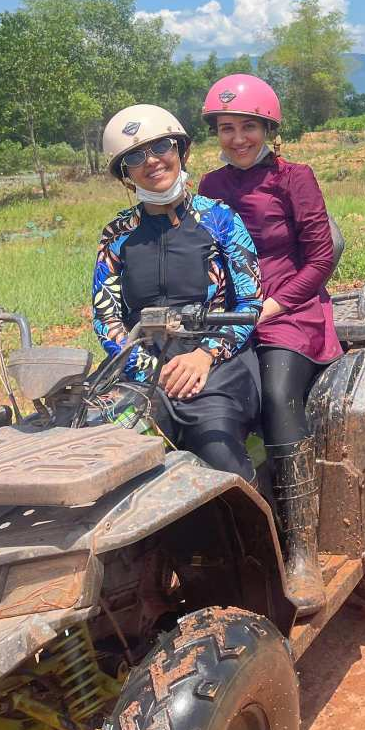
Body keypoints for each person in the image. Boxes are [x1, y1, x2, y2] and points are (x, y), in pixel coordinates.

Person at [199, 74, 342, 614]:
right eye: (228, 128)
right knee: (207, 403)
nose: (239, 138)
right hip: (229, 315)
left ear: (268, 129)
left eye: (249, 127)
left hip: (291, 309)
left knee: (278, 395)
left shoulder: (294, 178)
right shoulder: (209, 188)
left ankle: (302, 547)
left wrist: (276, 303)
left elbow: (320, 258)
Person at [94, 104, 263, 484]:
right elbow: (106, 316)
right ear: (125, 174)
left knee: (220, 455)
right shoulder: (117, 234)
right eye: (135, 157)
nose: (151, 162)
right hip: (141, 372)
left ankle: (260, 541)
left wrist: (204, 357)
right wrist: (146, 368)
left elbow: (250, 304)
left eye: (161, 148)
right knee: (108, 452)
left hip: (218, 367)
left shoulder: (219, 218)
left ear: (181, 151)